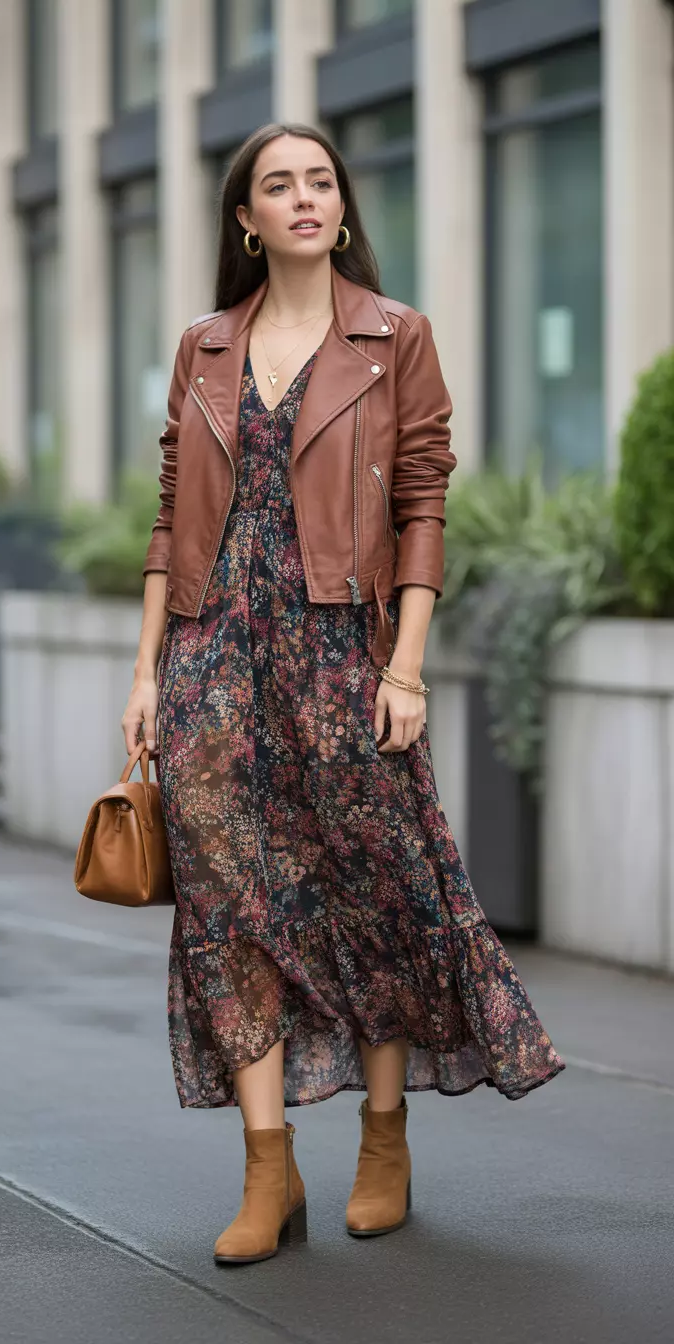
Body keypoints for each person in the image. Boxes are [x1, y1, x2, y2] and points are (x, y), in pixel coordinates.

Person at [122, 122, 565, 1267]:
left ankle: (384, 1136)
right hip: (215, 659)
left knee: (375, 890)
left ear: (343, 209)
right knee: (229, 906)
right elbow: (172, 517)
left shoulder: (394, 338)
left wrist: (404, 666)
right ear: (247, 220)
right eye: (280, 184)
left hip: (341, 653)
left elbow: (425, 504)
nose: (305, 197)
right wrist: (146, 671)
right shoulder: (205, 348)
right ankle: (268, 1171)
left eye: (320, 180)